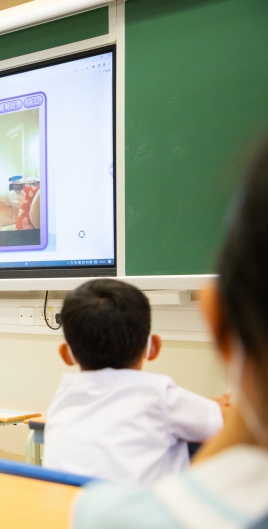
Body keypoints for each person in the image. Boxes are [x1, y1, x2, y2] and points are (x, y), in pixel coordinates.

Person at [72, 141, 268, 528]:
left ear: (216, 319)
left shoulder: (106, 516)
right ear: (151, 346)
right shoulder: (159, 392)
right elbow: (216, 418)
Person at [43, 279, 227, 485]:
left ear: (66, 355)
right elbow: (234, 421)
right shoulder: (159, 394)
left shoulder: (63, 398)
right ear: (153, 347)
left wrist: (207, 403)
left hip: (67, 503)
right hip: (137, 505)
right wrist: (221, 405)